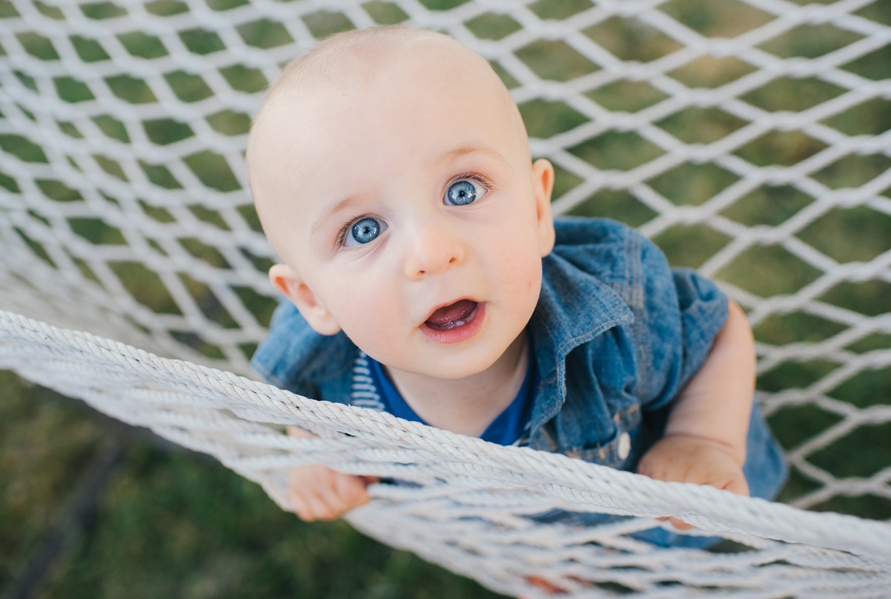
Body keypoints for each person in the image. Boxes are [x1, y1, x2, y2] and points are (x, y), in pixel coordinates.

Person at [245, 26, 786, 530]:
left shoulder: (617, 315)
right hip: (540, 535)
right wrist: (312, 453)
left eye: (463, 190)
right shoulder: (318, 373)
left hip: (691, 520)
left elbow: (715, 331)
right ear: (312, 299)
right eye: (363, 230)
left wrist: (703, 438)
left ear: (536, 210)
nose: (432, 253)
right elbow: (305, 410)